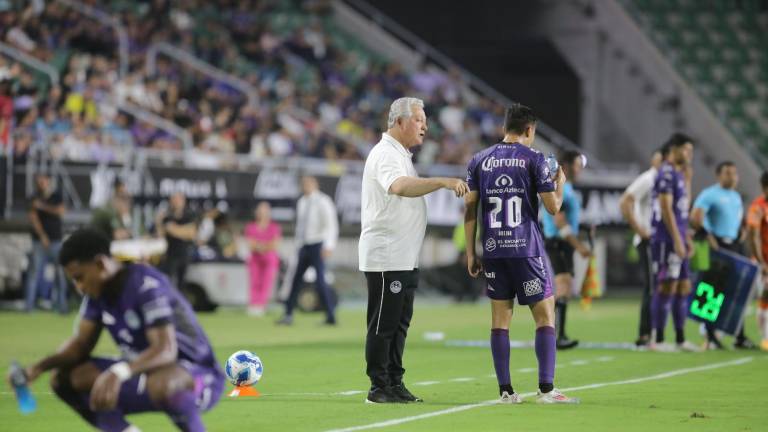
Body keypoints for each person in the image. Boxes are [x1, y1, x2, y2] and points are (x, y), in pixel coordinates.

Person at [15, 228, 224, 431]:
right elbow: (80, 346)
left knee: (164, 384)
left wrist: (118, 373)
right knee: (67, 379)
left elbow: (165, 349)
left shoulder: (145, 285)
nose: (79, 287)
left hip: (199, 376)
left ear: (100, 263)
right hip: (145, 371)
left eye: (80, 277)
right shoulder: (97, 296)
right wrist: (39, 367)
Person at [465, 102, 578, 404]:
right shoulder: (534, 158)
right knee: (545, 316)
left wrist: (471, 253)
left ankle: (506, 391)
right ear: (529, 130)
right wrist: (560, 185)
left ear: (504, 128)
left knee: (500, 321)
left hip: (492, 250)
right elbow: (553, 208)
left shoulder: (479, 160)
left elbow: (470, 209)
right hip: (526, 250)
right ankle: (546, 390)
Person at [359, 97, 468, 404]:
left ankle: (394, 382)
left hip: (403, 256)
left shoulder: (401, 155)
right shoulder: (385, 154)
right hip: (386, 256)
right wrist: (443, 182)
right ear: (400, 122)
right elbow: (400, 187)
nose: (425, 126)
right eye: (419, 120)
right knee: (384, 323)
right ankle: (378, 387)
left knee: (399, 323)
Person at [691, 161, 756, 349]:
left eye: (735, 173)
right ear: (719, 175)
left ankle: (739, 336)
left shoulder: (736, 196)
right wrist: (708, 235)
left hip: (734, 245)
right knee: (712, 291)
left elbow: (738, 218)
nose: (733, 177)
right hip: (717, 246)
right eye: (728, 173)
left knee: (737, 291)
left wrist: (742, 232)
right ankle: (709, 333)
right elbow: (695, 216)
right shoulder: (710, 194)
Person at [649, 133, 700, 352]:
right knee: (667, 286)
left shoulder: (680, 174)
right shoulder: (668, 173)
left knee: (684, 286)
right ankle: (658, 339)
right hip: (666, 240)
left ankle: (680, 338)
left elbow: (681, 211)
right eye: (686, 150)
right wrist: (678, 240)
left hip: (678, 237)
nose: (689, 155)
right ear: (675, 149)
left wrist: (686, 235)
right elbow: (666, 209)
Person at [541, 150, 590, 349]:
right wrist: (579, 246)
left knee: (565, 288)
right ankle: (554, 336)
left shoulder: (566, 187)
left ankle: (557, 335)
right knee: (563, 287)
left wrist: (584, 229)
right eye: (578, 165)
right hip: (558, 242)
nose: (580, 169)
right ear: (568, 166)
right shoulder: (560, 187)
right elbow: (559, 220)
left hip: (563, 243)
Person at [277, 175, 338, 325]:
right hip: (304, 246)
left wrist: (329, 245)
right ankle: (288, 314)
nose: (306, 186)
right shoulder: (302, 202)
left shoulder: (323, 201)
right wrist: (298, 245)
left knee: (320, 282)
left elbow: (331, 224)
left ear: (315, 184)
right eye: (304, 184)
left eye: (309, 183)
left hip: (318, 244)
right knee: (295, 280)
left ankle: (330, 316)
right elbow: (300, 226)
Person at [620, 148, 665, 348]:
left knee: (658, 286)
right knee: (653, 286)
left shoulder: (665, 181)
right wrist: (640, 230)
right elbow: (626, 201)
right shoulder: (649, 178)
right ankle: (646, 334)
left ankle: (653, 333)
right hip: (648, 241)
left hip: (660, 242)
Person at [25, 172, 68, 313]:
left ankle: (62, 307)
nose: (41, 183)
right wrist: (43, 236)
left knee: (60, 274)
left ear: (48, 181)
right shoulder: (33, 196)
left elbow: (61, 211)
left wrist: (42, 206)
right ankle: (29, 307)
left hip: (56, 240)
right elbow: (33, 218)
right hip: (39, 241)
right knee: (34, 274)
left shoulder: (56, 196)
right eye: (39, 181)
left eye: (43, 180)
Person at [244, 202, 281, 316]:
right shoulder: (250, 227)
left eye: (264, 211)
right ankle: (253, 304)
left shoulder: (274, 227)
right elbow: (250, 244)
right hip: (255, 259)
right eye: (260, 211)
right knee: (255, 281)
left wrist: (261, 246)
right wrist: (261, 246)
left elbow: (274, 244)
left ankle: (261, 305)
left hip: (270, 259)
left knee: (266, 282)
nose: (262, 214)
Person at [746, 172, 768, 351]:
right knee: (765, 299)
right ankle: (765, 338)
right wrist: (762, 263)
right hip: (764, 263)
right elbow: (753, 237)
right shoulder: (758, 207)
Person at [157, 192, 197, 291]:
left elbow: (191, 234)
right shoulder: (167, 216)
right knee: (168, 282)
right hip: (170, 255)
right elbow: (160, 234)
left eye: (178, 200)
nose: (175, 202)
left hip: (184, 254)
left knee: (182, 284)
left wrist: (174, 230)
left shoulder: (189, 215)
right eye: (173, 200)